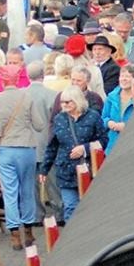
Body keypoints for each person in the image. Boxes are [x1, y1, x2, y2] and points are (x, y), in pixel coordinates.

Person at [0, 59, 52, 249]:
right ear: (18, 78)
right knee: (27, 190)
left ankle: (14, 234)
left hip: (6, 150)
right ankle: (28, 231)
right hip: (26, 149)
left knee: (10, 192)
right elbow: (40, 125)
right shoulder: (27, 98)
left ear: (2, 79)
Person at [45, 88, 104, 223]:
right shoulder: (59, 119)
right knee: (70, 207)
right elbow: (52, 145)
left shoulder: (93, 116)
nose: (64, 105)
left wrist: (85, 148)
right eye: (62, 102)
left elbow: (103, 140)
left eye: (67, 102)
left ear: (77, 101)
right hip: (66, 170)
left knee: (89, 207)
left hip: (89, 169)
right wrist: (45, 169)